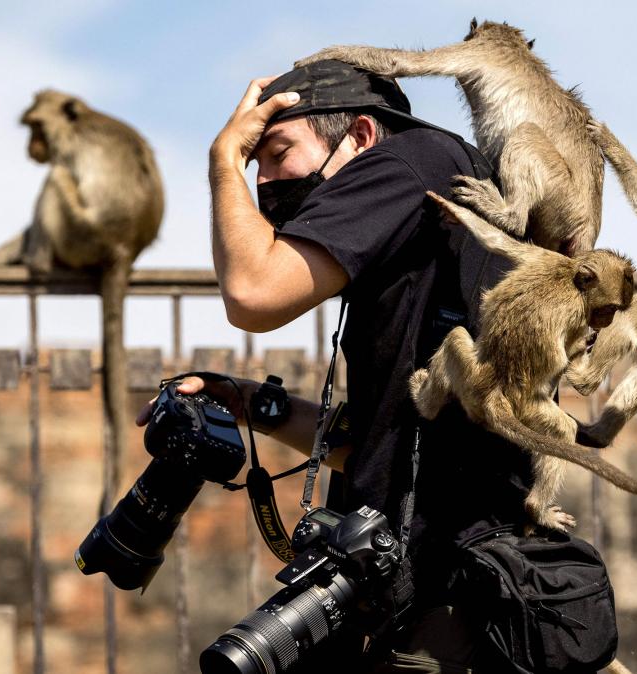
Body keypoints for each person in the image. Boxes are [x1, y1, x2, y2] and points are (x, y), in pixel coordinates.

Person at [139, 60, 536, 672]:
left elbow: (252, 294)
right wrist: (251, 403)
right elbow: (376, 445)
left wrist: (224, 160)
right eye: (253, 163)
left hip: (450, 586)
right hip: (419, 574)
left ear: (360, 137)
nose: (264, 179)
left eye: (275, 152)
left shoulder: (410, 164)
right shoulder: (416, 223)